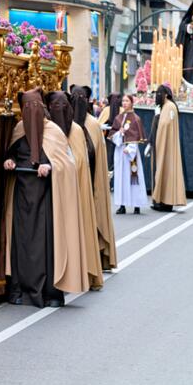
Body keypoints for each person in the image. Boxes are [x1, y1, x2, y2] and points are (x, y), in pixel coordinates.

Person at [3, 88, 88, 308]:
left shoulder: (54, 132)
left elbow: (66, 164)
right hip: (21, 198)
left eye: (35, 107)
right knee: (21, 244)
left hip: (46, 198)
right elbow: (11, 152)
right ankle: (20, 290)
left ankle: (48, 293)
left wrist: (50, 166)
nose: (31, 112)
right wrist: (9, 161)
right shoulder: (19, 129)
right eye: (27, 108)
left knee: (45, 245)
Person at [46, 91, 103, 291]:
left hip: (75, 190)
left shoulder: (77, 131)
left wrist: (62, 168)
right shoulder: (49, 130)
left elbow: (80, 161)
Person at [70, 85, 117, 271]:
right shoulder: (64, 122)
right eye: (74, 97)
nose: (77, 101)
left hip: (90, 180)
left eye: (81, 98)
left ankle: (94, 257)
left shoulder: (93, 125)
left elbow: (96, 154)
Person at [148, 85, 186, 212]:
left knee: (166, 171)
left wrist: (158, 117)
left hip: (166, 146)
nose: (157, 95)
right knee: (161, 171)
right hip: (162, 144)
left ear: (166, 94)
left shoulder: (169, 107)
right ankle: (160, 200)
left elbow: (165, 125)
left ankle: (165, 201)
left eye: (160, 93)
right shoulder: (165, 106)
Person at [110, 94, 149, 215]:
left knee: (133, 178)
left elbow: (136, 137)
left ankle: (136, 204)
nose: (124, 103)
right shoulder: (118, 118)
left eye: (127, 101)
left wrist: (131, 147)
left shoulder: (136, 119)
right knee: (121, 178)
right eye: (123, 101)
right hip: (120, 151)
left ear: (132, 102)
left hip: (131, 154)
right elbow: (113, 135)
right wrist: (119, 134)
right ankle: (122, 205)